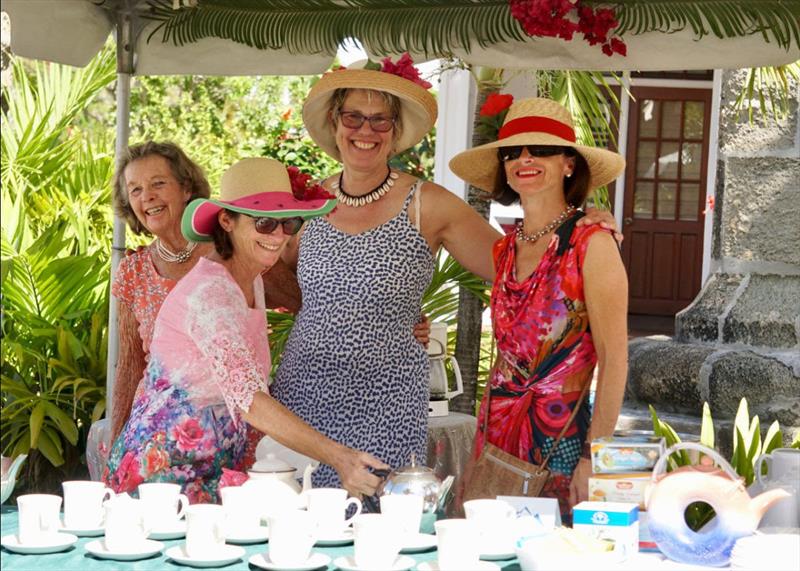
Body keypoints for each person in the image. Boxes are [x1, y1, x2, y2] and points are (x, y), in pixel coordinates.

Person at [271, 57, 620, 491]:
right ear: (334, 123)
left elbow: (524, 272)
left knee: (382, 535)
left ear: (396, 131)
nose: (366, 130)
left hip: (386, 404)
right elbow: (269, 278)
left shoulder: (427, 203)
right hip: (302, 396)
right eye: (353, 117)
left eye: (381, 120)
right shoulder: (308, 201)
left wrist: (580, 227)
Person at [103, 158, 387, 502]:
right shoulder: (211, 295)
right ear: (227, 221)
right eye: (265, 223)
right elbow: (249, 400)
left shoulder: (250, 278)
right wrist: (340, 458)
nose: (279, 236)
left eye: (289, 223)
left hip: (206, 469)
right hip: (160, 480)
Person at [449, 97, 629, 516]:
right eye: (513, 151)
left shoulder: (593, 243)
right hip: (496, 436)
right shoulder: (505, 248)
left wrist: (594, 456)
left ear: (569, 164)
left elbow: (616, 360)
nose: (524, 159)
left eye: (541, 150)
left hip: (561, 441)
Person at [108, 141, 301, 448]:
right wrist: (116, 443)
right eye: (135, 190)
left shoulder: (239, 249)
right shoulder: (132, 271)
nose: (148, 197)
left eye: (158, 183)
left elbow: (304, 307)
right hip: (167, 438)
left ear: (186, 189)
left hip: (238, 427)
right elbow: (130, 368)